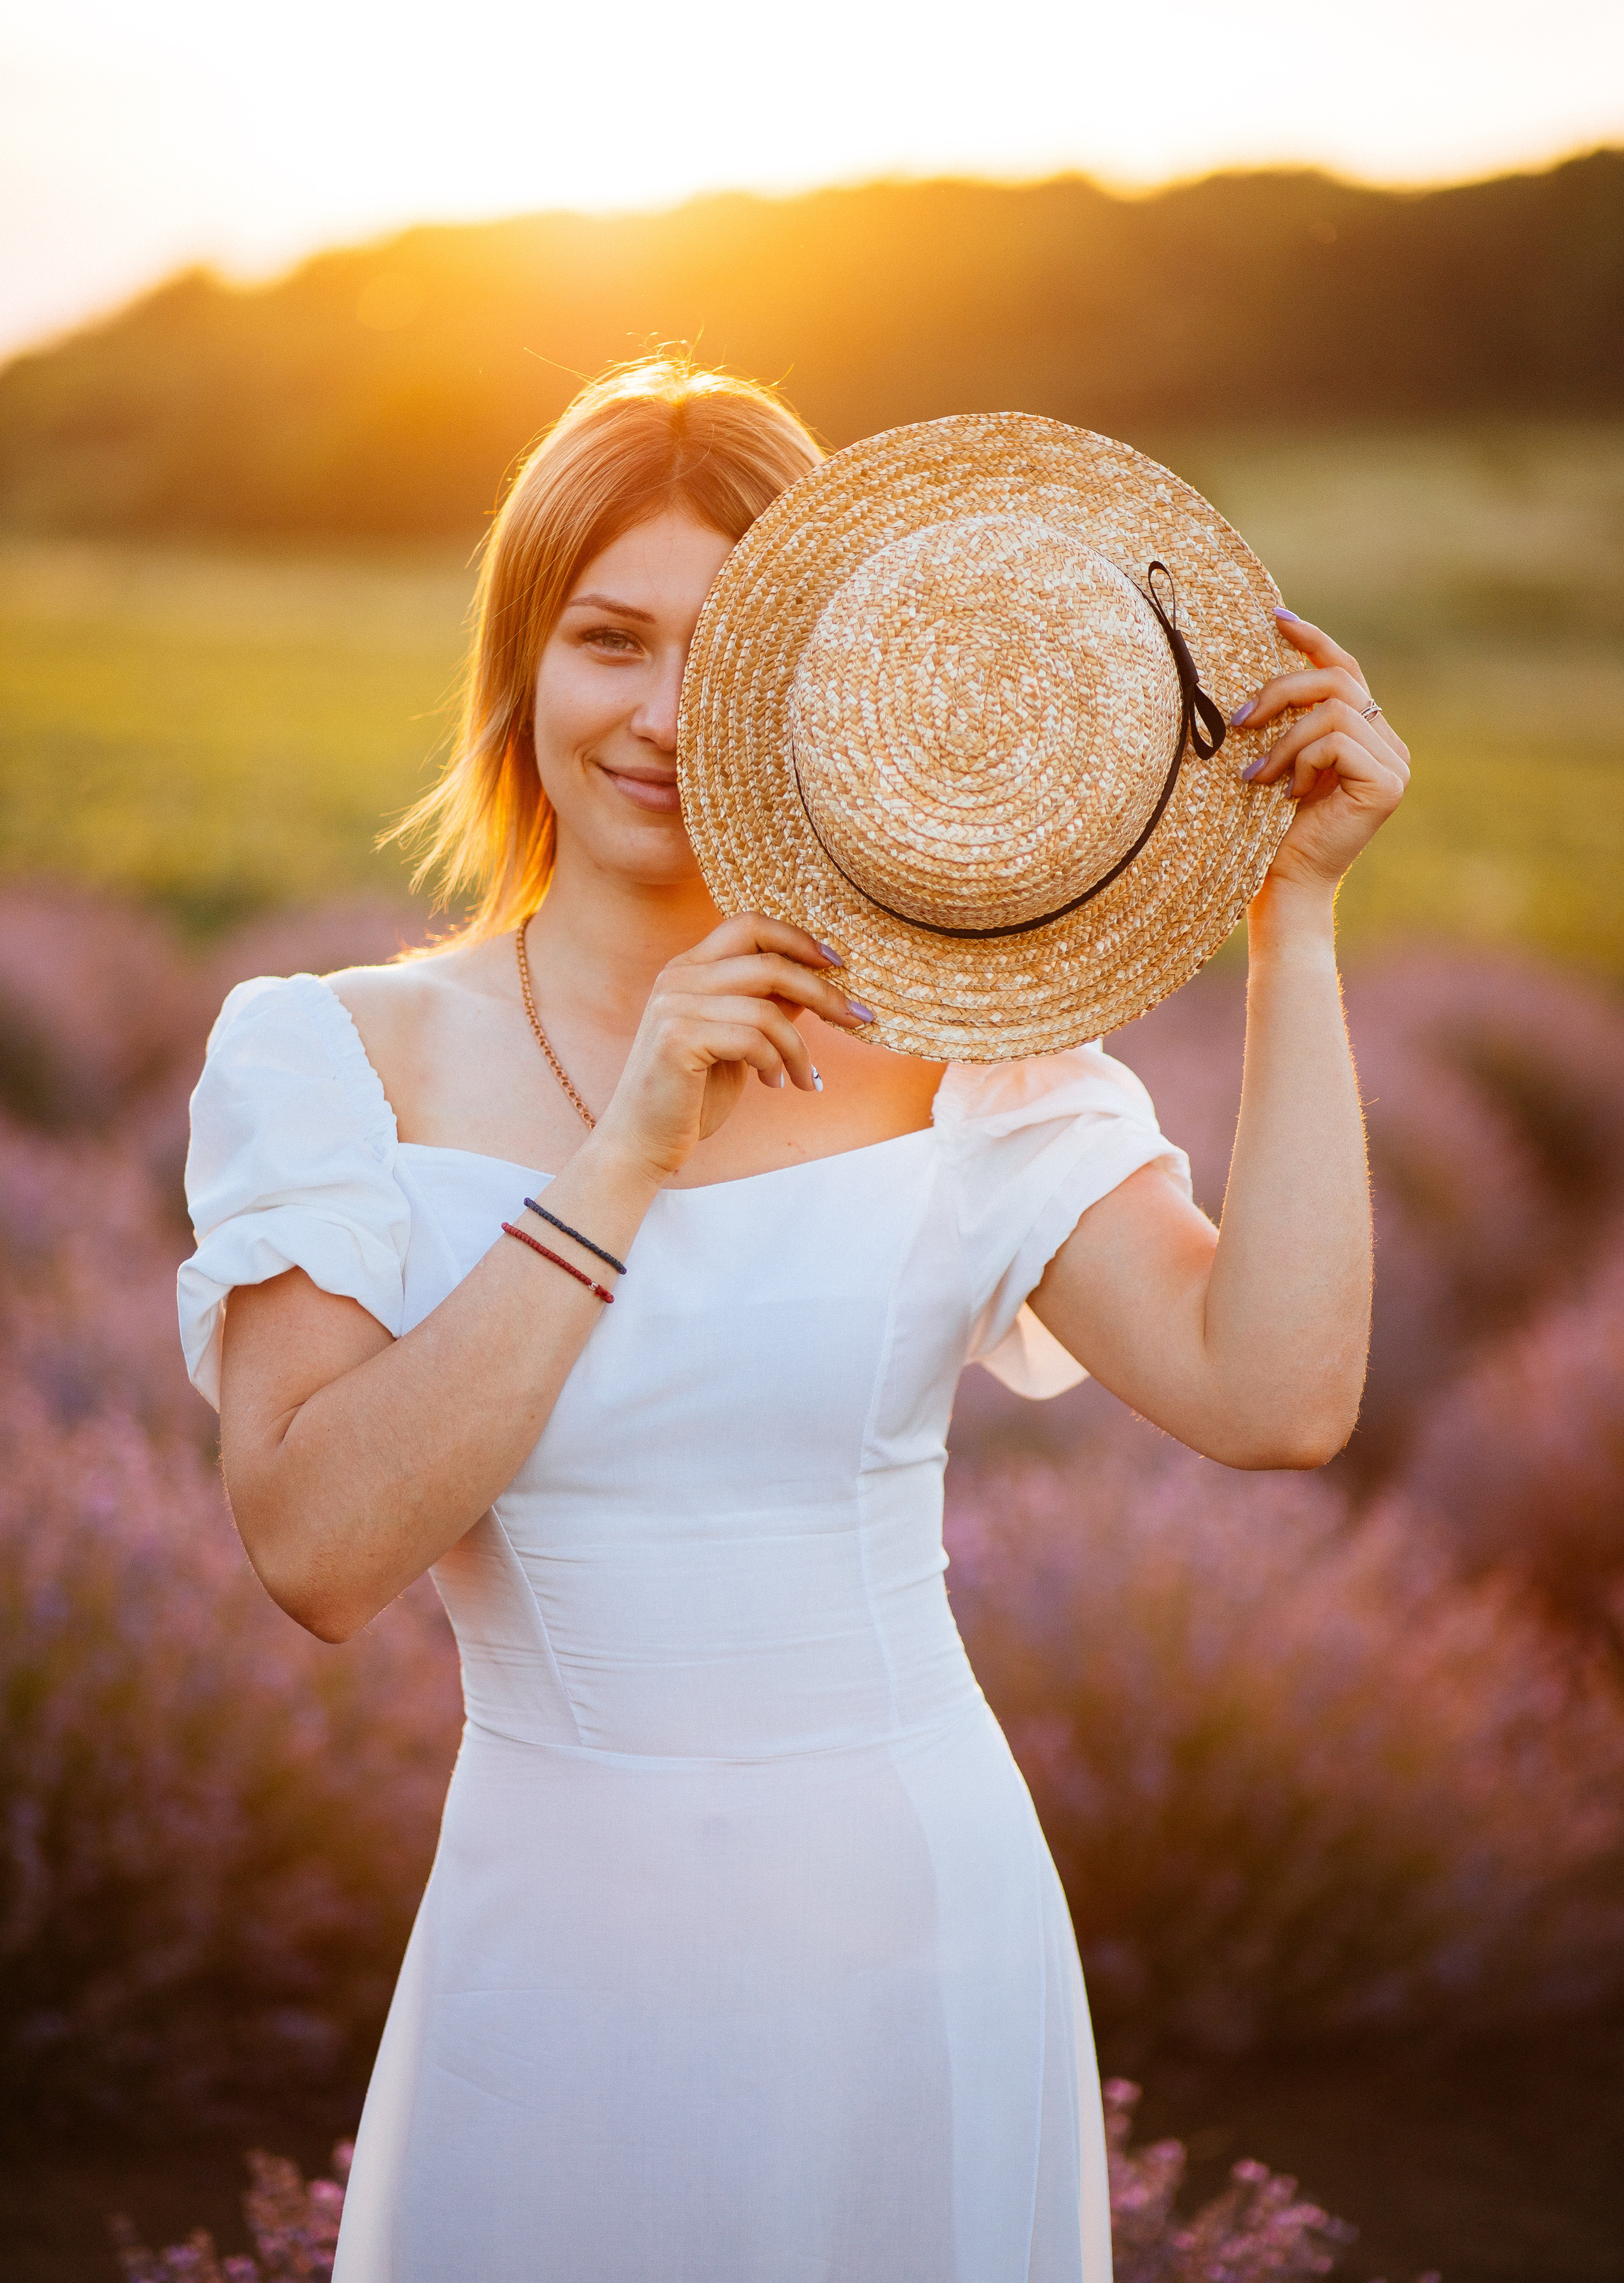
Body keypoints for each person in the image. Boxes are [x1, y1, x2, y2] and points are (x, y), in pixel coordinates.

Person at [177, 359, 1408, 2283]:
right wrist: (629, 1149)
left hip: (919, 1923)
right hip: (556, 1941)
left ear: (828, 681)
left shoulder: (965, 1057)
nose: (666, 715)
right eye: (610, 640)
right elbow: (321, 1551)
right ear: (519, 664)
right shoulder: (332, 1056)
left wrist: (1297, 924)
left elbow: (1279, 1397)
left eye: (734, 652)